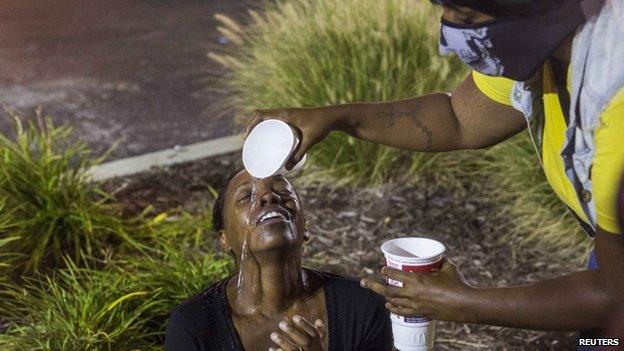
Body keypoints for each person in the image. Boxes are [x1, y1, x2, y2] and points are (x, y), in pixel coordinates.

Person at [245, 0, 624, 337]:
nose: (449, 31)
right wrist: (336, 118)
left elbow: (614, 294)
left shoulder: (616, 106)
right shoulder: (540, 44)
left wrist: (463, 303)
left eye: (465, 12)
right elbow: (459, 118)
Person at [164, 170, 392, 351]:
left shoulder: (361, 307)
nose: (269, 196)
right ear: (224, 240)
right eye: (246, 196)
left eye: (283, 191)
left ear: (306, 228)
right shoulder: (194, 326)